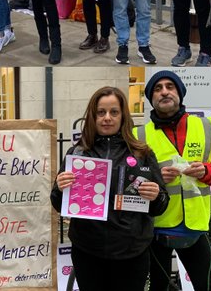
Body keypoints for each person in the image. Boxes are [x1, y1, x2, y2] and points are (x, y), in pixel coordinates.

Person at [51, 87, 167, 291]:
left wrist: (156, 196)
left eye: (114, 112)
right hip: (88, 252)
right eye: (101, 112)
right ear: (92, 116)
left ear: (123, 116)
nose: (107, 118)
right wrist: (60, 188)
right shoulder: (78, 153)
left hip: (132, 253)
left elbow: (160, 206)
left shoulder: (142, 153)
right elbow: (58, 204)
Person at [137, 71, 211, 291]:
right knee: (157, 288)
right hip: (156, 228)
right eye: (157, 89)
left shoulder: (206, 126)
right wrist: (157, 178)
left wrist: (206, 170)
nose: (164, 92)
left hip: (196, 228)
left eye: (170, 86)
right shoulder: (140, 134)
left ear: (180, 92)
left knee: (207, 287)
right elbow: (132, 181)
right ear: (151, 98)